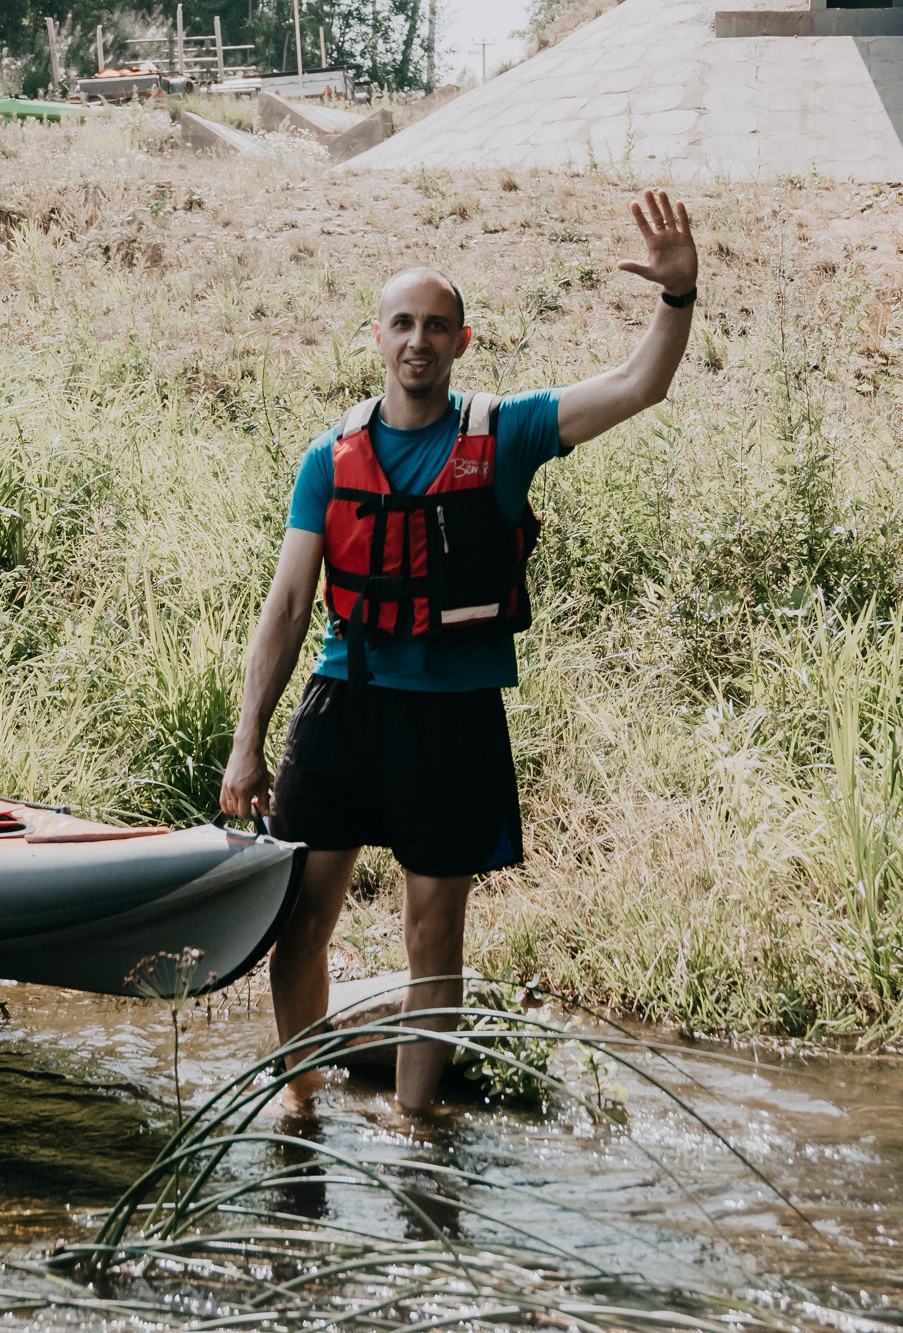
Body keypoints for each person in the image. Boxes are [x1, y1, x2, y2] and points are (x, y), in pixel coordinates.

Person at [218, 190, 700, 1118]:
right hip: (345, 704)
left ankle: (413, 1128)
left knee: (432, 934)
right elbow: (286, 607)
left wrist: (675, 298)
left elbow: (640, 384)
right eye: (403, 323)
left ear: (462, 341)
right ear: (377, 337)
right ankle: (301, 1106)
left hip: (453, 719)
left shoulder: (508, 432)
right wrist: (248, 743)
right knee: (302, 921)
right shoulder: (328, 457)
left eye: (437, 326)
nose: (419, 340)